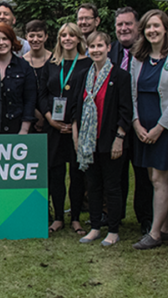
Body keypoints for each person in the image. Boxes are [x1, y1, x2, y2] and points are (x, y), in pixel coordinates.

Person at [131, 10, 168, 250]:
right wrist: (136, 123)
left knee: (159, 178)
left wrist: (159, 128)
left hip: (167, 127)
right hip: (142, 126)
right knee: (150, 177)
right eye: (147, 27)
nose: (152, 31)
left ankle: (154, 233)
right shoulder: (139, 57)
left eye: (156, 26)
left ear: (166, 28)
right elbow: (132, 93)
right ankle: (165, 228)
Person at [72, 31, 132, 247]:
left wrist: (119, 138)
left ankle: (113, 230)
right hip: (89, 143)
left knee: (112, 186)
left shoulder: (120, 76)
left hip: (110, 141)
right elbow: (76, 109)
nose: (96, 50)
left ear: (108, 48)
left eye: (100, 46)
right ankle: (95, 227)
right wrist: (77, 137)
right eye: (92, 47)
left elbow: (126, 111)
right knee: (93, 185)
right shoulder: (83, 76)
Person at [39, 22, 91, 234]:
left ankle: (76, 217)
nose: (67, 38)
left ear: (79, 38)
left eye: (72, 35)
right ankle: (59, 217)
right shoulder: (51, 64)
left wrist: (75, 123)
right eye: (63, 35)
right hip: (54, 128)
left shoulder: (87, 64)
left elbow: (89, 97)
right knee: (56, 173)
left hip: (77, 127)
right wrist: (50, 119)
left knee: (78, 174)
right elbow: (41, 95)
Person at [108, 7, 151, 234]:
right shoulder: (110, 51)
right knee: (117, 172)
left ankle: (145, 218)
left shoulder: (149, 52)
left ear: (138, 27)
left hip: (143, 122)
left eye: (128, 24)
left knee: (143, 174)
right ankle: (116, 214)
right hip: (117, 123)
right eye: (119, 25)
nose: (124, 29)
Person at [0, 23, 37, 135]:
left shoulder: (24, 67)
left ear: (11, 40)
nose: (1, 43)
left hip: (17, 127)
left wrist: (24, 129)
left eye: (5, 39)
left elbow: (30, 100)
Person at [22, 20, 51, 132]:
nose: (35, 40)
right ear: (26, 37)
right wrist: (36, 113)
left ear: (46, 37)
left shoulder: (54, 61)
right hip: (29, 116)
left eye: (39, 36)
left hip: (51, 116)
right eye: (31, 36)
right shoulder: (21, 63)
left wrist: (46, 114)